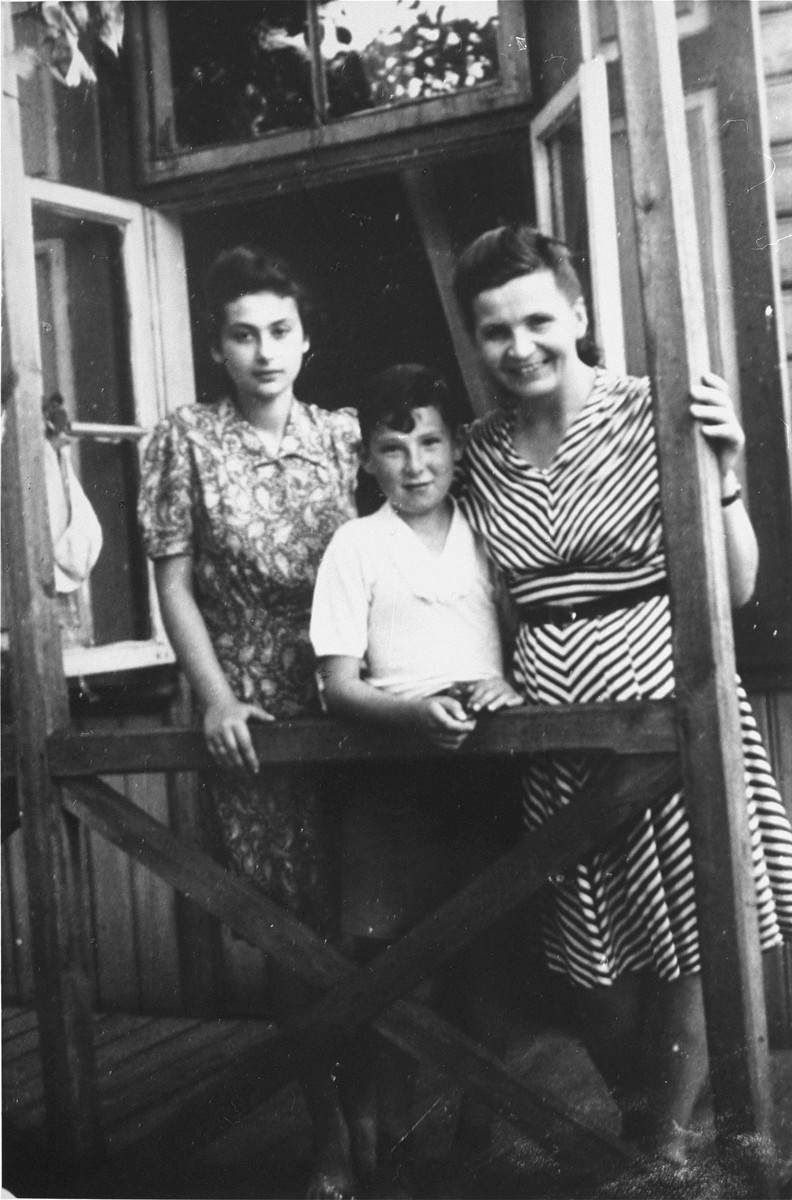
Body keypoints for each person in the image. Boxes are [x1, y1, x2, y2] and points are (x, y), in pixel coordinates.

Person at [451, 223, 792, 1165]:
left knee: (687, 943)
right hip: (555, 743)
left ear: (578, 313)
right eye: (494, 331)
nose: (518, 347)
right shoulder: (474, 452)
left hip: (671, 718)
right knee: (592, 971)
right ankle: (655, 1132)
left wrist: (724, 479)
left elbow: (735, 588)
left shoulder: (655, 410)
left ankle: (662, 1151)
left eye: (536, 320)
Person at [137, 245, 361, 1200]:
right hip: (254, 711)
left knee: (374, 922)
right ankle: (330, 1139)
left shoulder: (347, 437)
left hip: (355, 696)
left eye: (279, 330)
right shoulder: (185, 438)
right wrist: (217, 694)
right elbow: (174, 581)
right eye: (242, 335)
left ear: (305, 340)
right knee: (289, 938)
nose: (264, 350)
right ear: (218, 348)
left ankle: (387, 1122)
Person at [310, 363, 523, 1195]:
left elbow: (519, 640)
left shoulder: (486, 535)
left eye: (430, 441)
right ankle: (389, 1152)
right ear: (367, 461)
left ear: (456, 449)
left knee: (487, 961)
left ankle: (479, 1138)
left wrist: (508, 687)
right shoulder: (356, 545)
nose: (414, 463)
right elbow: (338, 683)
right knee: (388, 968)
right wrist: (412, 715)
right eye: (391, 448)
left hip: (486, 778)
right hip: (389, 787)